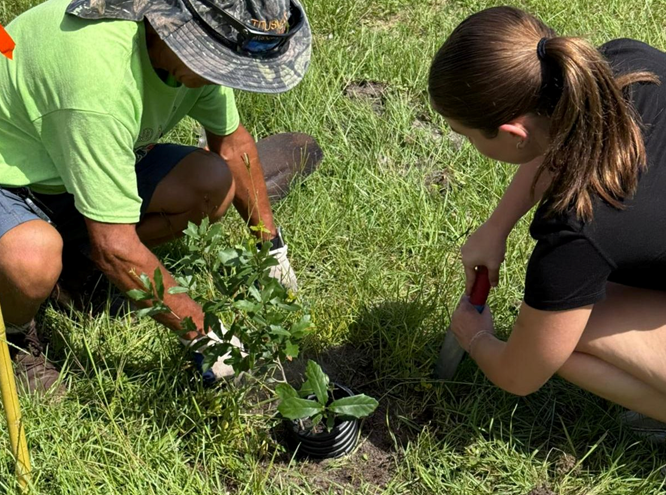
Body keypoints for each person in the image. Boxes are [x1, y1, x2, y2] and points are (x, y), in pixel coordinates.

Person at [0, 0, 313, 393]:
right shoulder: (100, 82)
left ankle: (78, 275)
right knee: (32, 257)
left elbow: (232, 147)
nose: (232, 77)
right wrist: (202, 333)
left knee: (209, 183)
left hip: (69, 162)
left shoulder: (187, 52)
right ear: (182, 38)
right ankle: (14, 335)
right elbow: (115, 246)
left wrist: (272, 250)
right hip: (12, 181)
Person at [429, 6, 666, 440]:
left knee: (556, 340)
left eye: (467, 135)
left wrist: (477, 337)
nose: (467, 144)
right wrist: (495, 227)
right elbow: (557, 144)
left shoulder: (578, 232)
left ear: (512, 133)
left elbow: (520, 376)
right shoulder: (621, 65)